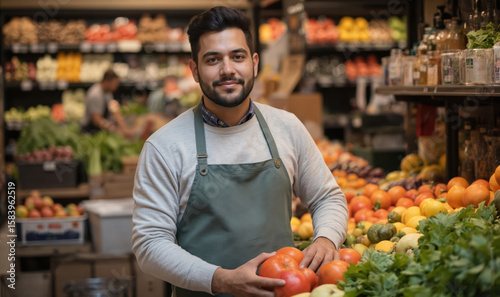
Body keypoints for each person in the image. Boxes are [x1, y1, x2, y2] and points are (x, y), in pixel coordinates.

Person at [132, 6, 348, 297]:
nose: (227, 69)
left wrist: (326, 239)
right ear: (194, 70)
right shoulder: (165, 146)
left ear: (254, 63)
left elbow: (327, 197)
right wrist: (219, 280)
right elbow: (150, 244)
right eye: (212, 60)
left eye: (238, 56)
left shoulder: (287, 128)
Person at [81, 69, 133, 138]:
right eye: (114, 84)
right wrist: (113, 130)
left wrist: (124, 127)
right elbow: (97, 120)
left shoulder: (108, 92)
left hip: (101, 130)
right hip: (90, 132)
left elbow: (113, 109)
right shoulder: (95, 95)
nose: (116, 87)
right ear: (106, 81)